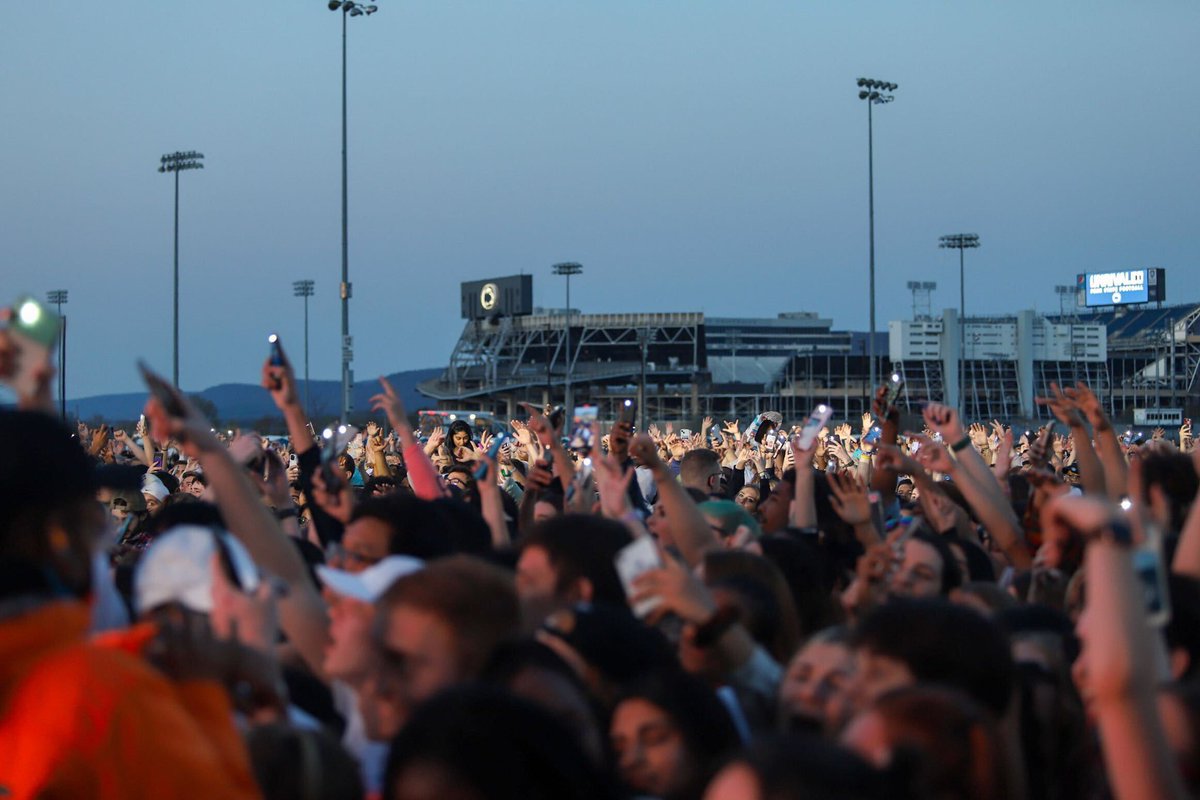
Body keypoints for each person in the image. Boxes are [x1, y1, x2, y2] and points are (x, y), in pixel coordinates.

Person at [0, 410, 262, 798]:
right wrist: (202, 692)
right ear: (59, 538)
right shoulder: (102, 696)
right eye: (93, 520)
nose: (104, 535)